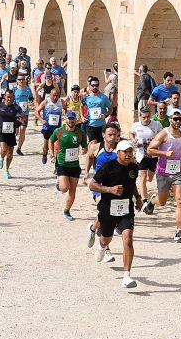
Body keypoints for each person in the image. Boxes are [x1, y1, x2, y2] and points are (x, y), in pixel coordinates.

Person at [89, 140, 142, 288]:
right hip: (107, 209)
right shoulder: (108, 167)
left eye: (130, 151)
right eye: (125, 151)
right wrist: (110, 190)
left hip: (126, 209)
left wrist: (137, 198)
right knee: (106, 239)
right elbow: (92, 185)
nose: (128, 154)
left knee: (128, 238)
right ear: (118, 153)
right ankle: (101, 247)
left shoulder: (134, 168)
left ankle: (126, 276)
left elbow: (132, 185)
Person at [144, 109, 181, 243]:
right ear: (170, 119)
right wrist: (164, 154)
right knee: (162, 202)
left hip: (179, 172)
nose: (177, 121)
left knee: (180, 200)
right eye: (175, 119)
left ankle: (179, 231)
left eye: (179, 119)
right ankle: (152, 201)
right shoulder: (164, 134)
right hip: (163, 172)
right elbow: (149, 150)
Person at [85, 123, 119, 262]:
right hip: (99, 187)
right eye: (109, 135)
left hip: (115, 188)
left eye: (115, 135)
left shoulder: (121, 149)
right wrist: (86, 172)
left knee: (106, 214)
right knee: (107, 215)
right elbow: (89, 156)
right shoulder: (96, 147)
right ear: (103, 135)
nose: (112, 138)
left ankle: (93, 228)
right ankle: (106, 250)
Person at [49, 111, 87, 221]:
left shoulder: (80, 133)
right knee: (65, 188)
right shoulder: (59, 131)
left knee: (73, 190)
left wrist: (85, 150)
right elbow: (51, 141)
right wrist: (52, 154)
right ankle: (59, 183)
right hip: (62, 163)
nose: (71, 121)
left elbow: (85, 147)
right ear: (66, 119)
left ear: (76, 120)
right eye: (69, 119)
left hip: (74, 165)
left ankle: (67, 210)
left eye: (73, 119)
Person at [129, 107, 163, 207]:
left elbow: (162, 134)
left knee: (150, 178)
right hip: (141, 155)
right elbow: (131, 133)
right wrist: (133, 140)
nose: (146, 119)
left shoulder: (156, 124)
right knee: (142, 178)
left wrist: (157, 139)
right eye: (144, 117)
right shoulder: (136, 125)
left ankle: (148, 196)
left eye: (148, 117)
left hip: (153, 155)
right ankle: (144, 200)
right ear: (140, 117)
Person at [0, 90, 23, 179]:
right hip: (1, 131)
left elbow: (23, 117)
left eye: (11, 97)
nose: (9, 99)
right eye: (8, 97)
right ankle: (1, 157)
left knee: (10, 153)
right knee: (4, 149)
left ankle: (7, 170)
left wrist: (20, 122)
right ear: (4, 97)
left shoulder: (16, 107)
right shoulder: (0, 105)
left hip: (11, 132)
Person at [35, 88, 63, 164]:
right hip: (47, 127)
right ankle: (44, 155)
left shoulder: (61, 102)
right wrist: (41, 120)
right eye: (54, 95)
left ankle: (55, 159)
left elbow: (66, 110)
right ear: (50, 95)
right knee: (46, 146)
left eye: (57, 96)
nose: (55, 97)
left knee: (57, 146)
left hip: (57, 128)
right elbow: (36, 112)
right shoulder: (46, 102)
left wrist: (65, 114)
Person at [81, 77, 111, 144]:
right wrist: (82, 116)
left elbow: (110, 109)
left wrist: (106, 115)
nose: (95, 87)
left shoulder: (104, 97)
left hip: (101, 125)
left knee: (101, 144)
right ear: (89, 86)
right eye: (93, 85)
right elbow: (81, 106)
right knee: (92, 144)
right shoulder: (86, 97)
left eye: (96, 85)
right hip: (90, 125)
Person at [13, 75, 34, 155]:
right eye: (20, 79)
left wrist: (31, 102)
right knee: (16, 131)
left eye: (23, 79)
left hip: (25, 114)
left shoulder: (28, 90)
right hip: (16, 114)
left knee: (23, 130)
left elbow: (31, 99)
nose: (21, 81)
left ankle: (19, 148)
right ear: (17, 80)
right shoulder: (14, 90)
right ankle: (11, 144)